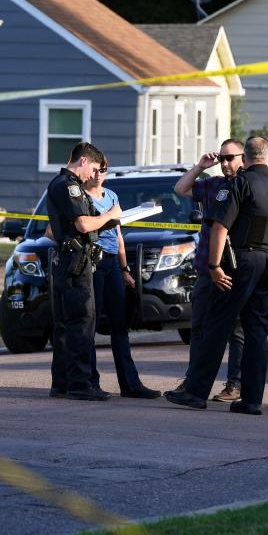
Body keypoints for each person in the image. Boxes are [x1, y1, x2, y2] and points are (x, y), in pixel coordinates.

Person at [164, 136, 268, 415]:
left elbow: (219, 227)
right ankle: (251, 401)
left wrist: (214, 266)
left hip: (242, 262)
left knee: (217, 326)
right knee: (257, 333)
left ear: (246, 159)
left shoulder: (240, 184)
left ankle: (195, 393)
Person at [171, 141, 246, 402]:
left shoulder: (246, 185)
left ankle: (235, 385)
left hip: (233, 270)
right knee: (199, 328)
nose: (225, 164)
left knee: (236, 331)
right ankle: (193, 381)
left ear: (243, 158)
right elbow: (181, 188)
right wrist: (201, 166)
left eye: (230, 158)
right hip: (206, 268)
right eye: (222, 159)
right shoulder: (213, 184)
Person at [45, 141, 120, 402]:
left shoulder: (59, 184)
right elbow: (84, 223)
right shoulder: (69, 186)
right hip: (76, 261)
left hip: (67, 260)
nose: (93, 175)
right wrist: (110, 214)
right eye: (94, 169)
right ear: (84, 161)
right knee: (81, 322)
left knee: (66, 324)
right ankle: (80, 384)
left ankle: (63, 383)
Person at [85, 160, 161, 399]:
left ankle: (130, 384)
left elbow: (118, 234)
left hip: (112, 265)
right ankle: (89, 381)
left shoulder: (112, 195)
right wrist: (108, 216)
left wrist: (124, 268)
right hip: (92, 263)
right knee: (91, 323)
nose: (98, 174)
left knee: (120, 324)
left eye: (103, 170)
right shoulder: (82, 197)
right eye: (95, 169)